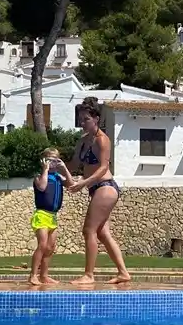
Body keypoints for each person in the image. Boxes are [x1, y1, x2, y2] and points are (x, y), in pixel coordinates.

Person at [67, 97, 132, 285]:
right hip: (95, 189)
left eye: (86, 119)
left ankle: (89, 275)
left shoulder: (103, 140)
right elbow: (73, 165)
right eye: (80, 119)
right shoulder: (82, 141)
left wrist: (84, 182)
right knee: (103, 234)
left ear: (96, 118)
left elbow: (103, 168)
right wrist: (56, 170)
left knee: (89, 231)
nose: (82, 122)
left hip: (105, 187)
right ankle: (123, 272)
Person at [29, 148, 71, 287]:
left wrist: (64, 168)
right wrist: (45, 170)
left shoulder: (59, 177)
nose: (52, 163)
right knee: (42, 245)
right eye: (49, 160)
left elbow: (71, 184)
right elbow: (42, 187)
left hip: (53, 216)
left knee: (50, 247)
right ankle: (33, 275)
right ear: (43, 161)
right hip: (41, 215)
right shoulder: (38, 176)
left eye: (55, 161)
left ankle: (44, 275)